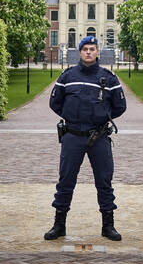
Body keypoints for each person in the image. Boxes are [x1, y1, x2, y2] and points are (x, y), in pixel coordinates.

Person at [44, 35, 127, 241]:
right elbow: (55, 103)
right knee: (65, 180)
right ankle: (59, 225)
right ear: (80, 52)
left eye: (92, 49)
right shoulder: (67, 76)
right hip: (72, 136)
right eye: (85, 49)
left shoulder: (109, 78)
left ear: (97, 52)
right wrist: (73, 116)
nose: (88, 52)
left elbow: (120, 106)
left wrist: (101, 118)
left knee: (104, 181)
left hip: (99, 137)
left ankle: (108, 226)